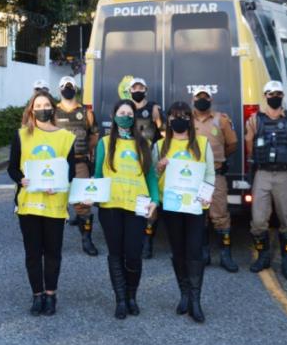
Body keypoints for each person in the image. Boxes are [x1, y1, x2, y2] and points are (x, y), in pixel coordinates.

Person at [7, 92, 76, 316]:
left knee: (53, 252)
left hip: (55, 203)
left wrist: (59, 183)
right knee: (33, 253)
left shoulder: (65, 137)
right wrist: (21, 179)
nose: (42, 108)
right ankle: (37, 295)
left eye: (46, 104)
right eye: (38, 105)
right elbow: (12, 168)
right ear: (31, 109)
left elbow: (71, 170)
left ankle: (51, 294)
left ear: (52, 109)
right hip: (29, 204)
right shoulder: (21, 135)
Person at [92, 99, 159, 319]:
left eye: (129, 113)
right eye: (121, 113)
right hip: (111, 207)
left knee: (133, 255)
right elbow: (98, 175)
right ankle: (120, 299)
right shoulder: (104, 143)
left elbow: (150, 176)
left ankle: (132, 296)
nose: (125, 116)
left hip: (137, 207)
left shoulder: (144, 143)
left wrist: (155, 200)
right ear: (113, 116)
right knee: (115, 254)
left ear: (134, 117)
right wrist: (89, 195)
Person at [156, 101, 216, 323]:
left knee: (195, 251)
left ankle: (195, 300)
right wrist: (159, 168)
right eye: (174, 116)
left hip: (195, 207)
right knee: (178, 250)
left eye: (183, 116)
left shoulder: (202, 143)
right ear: (168, 120)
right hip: (171, 206)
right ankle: (184, 294)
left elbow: (210, 174)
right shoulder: (160, 145)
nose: (178, 120)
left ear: (190, 119)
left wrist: (206, 194)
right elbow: (153, 176)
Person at [243, 81, 287, 280]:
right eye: (271, 93)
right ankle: (263, 257)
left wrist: (285, 161)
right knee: (259, 220)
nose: (275, 96)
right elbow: (249, 144)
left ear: (283, 96)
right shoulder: (254, 120)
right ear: (265, 96)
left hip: (285, 175)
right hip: (263, 174)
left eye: (278, 93)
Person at [191, 88, 239, 272]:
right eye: (199, 97)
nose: (202, 100)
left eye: (205, 97)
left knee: (220, 215)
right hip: (195, 176)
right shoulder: (187, 120)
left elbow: (232, 144)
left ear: (211, 99)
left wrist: (219, 160)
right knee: (199, 215)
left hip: (216, 174)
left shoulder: (221, 120)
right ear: (193, 99)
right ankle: (204, 254)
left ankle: (226, 256)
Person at [55, 75, 100, 256]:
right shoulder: (53, 112)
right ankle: (53, 241)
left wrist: (84, 151)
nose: (68, 89)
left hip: (80, 162)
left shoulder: (86, 112)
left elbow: (94, 136)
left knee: (83, 202)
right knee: (56, 200)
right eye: (64, 86)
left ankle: (86, 240)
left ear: (75, 89)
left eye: (71, 86)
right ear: (59, 89)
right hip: (58, 164)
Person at [129, 77, 164, 259]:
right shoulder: (125, 108)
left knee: (150, 198)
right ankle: (134, 237)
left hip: (150, 159)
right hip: (130, 160)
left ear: (146, 89)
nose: (137, 90)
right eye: (134, 88)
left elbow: (163, 132)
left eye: (140, 87)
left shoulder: (154, 109)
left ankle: (148, 241)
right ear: (130, 91)